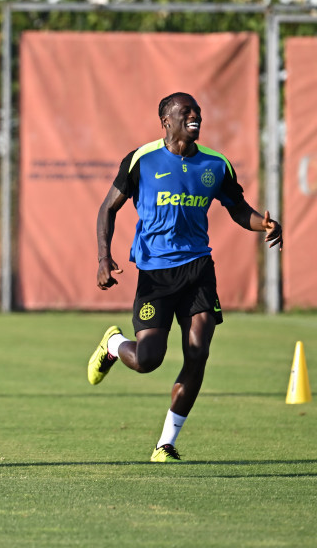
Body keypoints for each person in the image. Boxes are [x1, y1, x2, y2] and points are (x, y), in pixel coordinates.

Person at [88, 92, 283, 462]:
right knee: (148, 360)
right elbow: (107, 208)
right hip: (155, 275)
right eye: (185, 111)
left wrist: (264, 224)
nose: (195, 116)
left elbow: (239, 209)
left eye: (197, 111)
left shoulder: (216, 164)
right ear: (166, 120)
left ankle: (166, 443)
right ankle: (114, 345)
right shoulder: (140, 160)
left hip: (198, 270)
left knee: (198, 351)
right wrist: (103, 258)